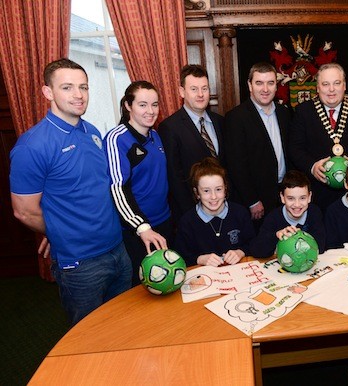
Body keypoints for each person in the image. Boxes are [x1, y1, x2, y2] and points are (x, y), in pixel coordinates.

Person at [9, 58, 131, 325]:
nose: (78, 95)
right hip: (81, 264)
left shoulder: (93, 132)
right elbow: (24, 212)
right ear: (48, 92)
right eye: (67, 87)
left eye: (83, 87)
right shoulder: (32, 146)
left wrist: (56, 225)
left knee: (123, 326)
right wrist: (57, 230)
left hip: (117, 250)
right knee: (88, 337)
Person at [104, 81, 171, 286]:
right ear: (128, 105)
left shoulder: (155, 136)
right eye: (143, 105)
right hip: (137, 230)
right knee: (141, 290)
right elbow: (117, 188)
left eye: (155, 104)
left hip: (164, 221)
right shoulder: (117, 139)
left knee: (166, 283)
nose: (150, 111)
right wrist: (142, 227)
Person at [289, 62, 348, 212]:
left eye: (337, 83)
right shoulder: (303, 111)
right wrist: (312, 166)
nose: (331, 90)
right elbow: (294, 148)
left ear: (344, 85)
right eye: (325, 84)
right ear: (317, 87)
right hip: (318, 192)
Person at [224, 62, 292, 227]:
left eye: (270, 83)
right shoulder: (236, 118)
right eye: (259, 83)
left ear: (277, 86)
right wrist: (252, 200)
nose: (265, 89)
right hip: (257, 202)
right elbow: (236, 165)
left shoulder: (285, 113)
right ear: (250, 85)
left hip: (284, 196)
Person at [159, 65, 225, 224]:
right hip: (192, 213)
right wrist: (192, 214)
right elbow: (174, 176)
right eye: (194, 89)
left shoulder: (220, 121)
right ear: (182, 92)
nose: (201, 94)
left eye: (205, 88)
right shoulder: (169, 127)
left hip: (223, 208)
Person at [174, 157, 255, 267]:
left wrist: (241, 252)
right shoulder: (187, 222)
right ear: (197, 193)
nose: (213, 197)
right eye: (206, 191)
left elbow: (254, 243)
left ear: (225, 189)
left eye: (218, 189)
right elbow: (179, 256)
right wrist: (199, 259)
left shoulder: (240, 213)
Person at [250, 170, 326, 258]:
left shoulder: (314, 212)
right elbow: (256, 250)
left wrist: (299, 236)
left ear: (309, 197)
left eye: (302, 198)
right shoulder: (273, 217)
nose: (297, 204)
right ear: (282, 198)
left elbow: (320, 247)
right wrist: (276, 236)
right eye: (291, 198)